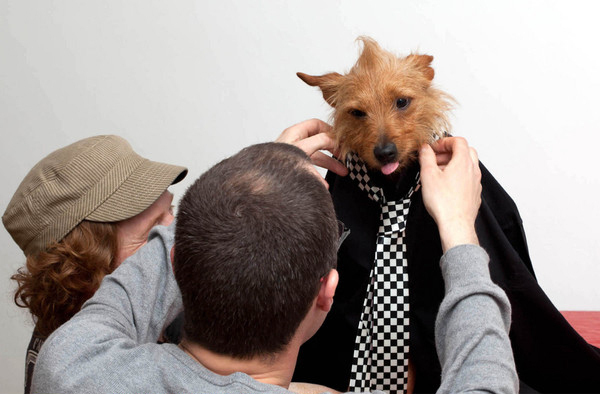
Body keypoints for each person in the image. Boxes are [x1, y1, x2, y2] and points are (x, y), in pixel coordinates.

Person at [30, 127, 517, 393]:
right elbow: (488, 381)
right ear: (326, 293)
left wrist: (256, 174)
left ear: (177, 265)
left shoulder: (70, 364)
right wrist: (459, 230)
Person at [2, 135, 188, 394]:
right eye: (152, 232)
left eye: (171, 212)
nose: (179, 240)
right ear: (84, 264)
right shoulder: (81, 373)